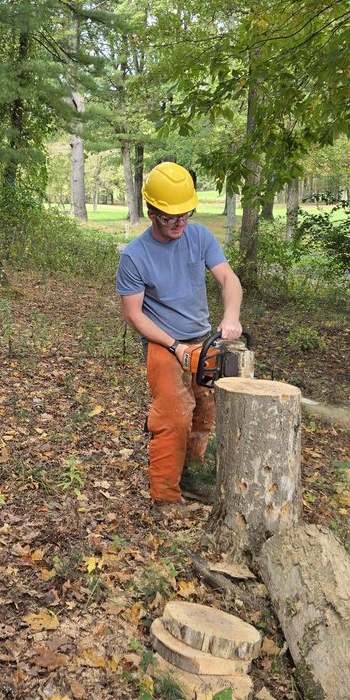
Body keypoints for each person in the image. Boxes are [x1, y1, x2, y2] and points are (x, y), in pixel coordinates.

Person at [115, 161, 243, 509]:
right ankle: (166, 499)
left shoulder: (200, 237)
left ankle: (192, 478)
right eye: (170, 217)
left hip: (204, 339)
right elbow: (133, 314)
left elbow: (229, 280)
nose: (179, 223)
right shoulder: (134, 256)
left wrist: (230, 317)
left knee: (205, 412)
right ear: (151, 211)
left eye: (185, 215)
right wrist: (176, 348)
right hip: (162, 345)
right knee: (172, 419)